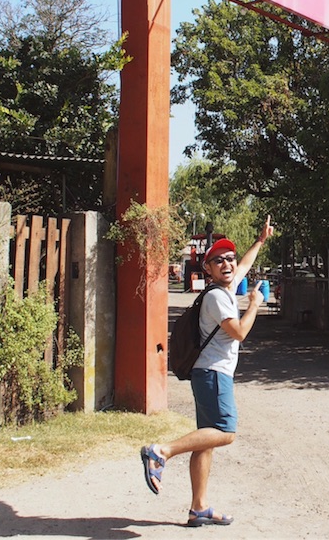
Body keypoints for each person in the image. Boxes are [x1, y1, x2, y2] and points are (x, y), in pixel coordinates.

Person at [140, 215, 274, 528]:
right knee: (226, 433)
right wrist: (255, 303)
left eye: (230, 258)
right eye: (219, 260)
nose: (228, 263)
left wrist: (261, 240)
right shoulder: (216, 297)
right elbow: (239, 332)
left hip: (208, 374)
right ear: (209, 270)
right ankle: (161, 451)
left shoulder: (224, 289)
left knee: (206, 441)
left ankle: (198, 507)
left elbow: (244, 264)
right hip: (214, 374)